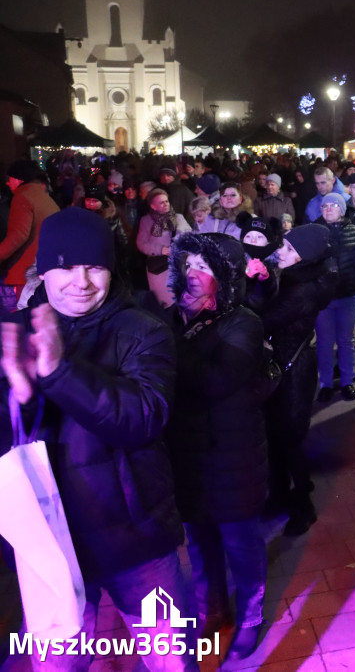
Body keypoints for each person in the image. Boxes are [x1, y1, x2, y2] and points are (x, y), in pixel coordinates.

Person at [0, 208, 196, 671]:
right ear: (43, 271)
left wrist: (59, 372)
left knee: (171, 660)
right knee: (57, 665)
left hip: (137, 542)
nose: (81, 282)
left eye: (95, 266)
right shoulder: (17, 332)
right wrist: (18, 400)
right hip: (51, 545)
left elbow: (143, 418)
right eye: (66, 267)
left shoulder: (143, 329)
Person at [163, 232, 268, 661]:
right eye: (187, 264)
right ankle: (214, 608)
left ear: (225, 275)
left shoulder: (242, 322)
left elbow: (217, 380)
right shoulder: (171, 318)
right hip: (186, 453)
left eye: (204, 266)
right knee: (200, 540)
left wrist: (168, 344)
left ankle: (251, 616)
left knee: (241, 543)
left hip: (232, 454)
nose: (192, 274)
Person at [260, 224, 336, 536]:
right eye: (284, 245)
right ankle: (278, 494)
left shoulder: (302, 289)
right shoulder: (292, 278)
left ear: (305, 257)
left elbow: (264, 319)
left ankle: (303, 506)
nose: (281, 251)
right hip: (280, 363)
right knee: (274, 434)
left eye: (290, 249)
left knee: (290, 438)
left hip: (293, 368)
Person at [313, 193, 355, 403]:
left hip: (349, 295)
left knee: (346, 340)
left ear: (342, 209)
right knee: (324, 342)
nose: (329, 209)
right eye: (325, 206)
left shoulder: (354, 232)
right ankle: (326, 383)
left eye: (334, 205)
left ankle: (347, 381)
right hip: (324, 298)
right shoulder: (314, 231)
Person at [2, 160, 58, 311]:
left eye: (10, 179)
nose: (7, 183)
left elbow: (19, 235)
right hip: (44, 265)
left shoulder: (22, 197)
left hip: (26, 270)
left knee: (22, 314)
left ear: (19, 179)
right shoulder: (42, 196)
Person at [136, 188, 192, 308]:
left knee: (182, 300)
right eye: (161, 202)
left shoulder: (178, 217)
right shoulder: (146, 221)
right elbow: (141, 243)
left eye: (166, 201)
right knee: (165, 303)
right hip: (159, 268)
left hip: (177, 264)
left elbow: (189, 236)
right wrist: (160, 249)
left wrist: (180, 240)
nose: (166, 204)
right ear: (153, 206)